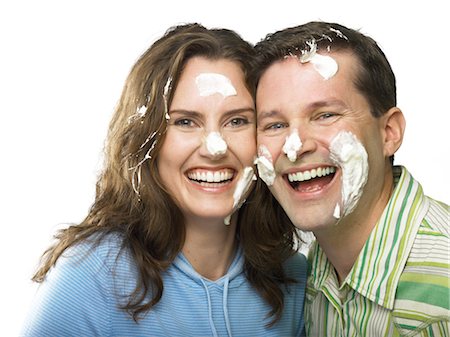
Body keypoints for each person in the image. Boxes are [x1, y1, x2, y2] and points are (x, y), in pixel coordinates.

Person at [21, 23, 307, 336]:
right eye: (186, 122)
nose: (215, 147)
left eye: (237, 121)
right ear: (147, 140)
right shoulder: (92, 274)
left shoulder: (292, 276)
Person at [251, 21, 450, 336]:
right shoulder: (313, 268)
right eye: (275, 125)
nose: (295, 146)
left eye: (325, 115)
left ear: (389, 133)